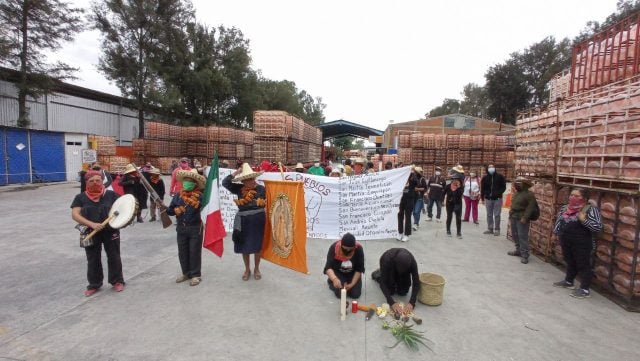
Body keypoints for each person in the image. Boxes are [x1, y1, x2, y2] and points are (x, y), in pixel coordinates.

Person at [71, 170, 125, 296]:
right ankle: (94, 284)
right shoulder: (81, 197)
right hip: (91, 231)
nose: (95, 183)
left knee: (114, 256)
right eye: (91, 181)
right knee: (93, 259)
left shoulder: (111, 195)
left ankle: (117, 281)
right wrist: (91, 224)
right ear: (86, 183)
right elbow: (75, 214)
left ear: (102, 181)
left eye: (98, 180)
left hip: (110, 231)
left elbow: (123, 208)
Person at [552, 188, 603, 298]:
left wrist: (584, 220)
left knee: (583, 264)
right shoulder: (565, 208)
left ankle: (584, 289)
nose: (572, 198)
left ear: (584, 199)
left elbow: (598, 227)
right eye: (571, 195)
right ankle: (569, 281)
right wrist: (555, 233)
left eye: (576, 196)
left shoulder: (590, 210)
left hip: (582, 242)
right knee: (569, 261)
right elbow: (559, 220)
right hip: (566, 239)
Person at [223, 163, 267, 281]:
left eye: (252, 178)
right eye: (247, 179)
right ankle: (247, 269)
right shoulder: (238, 189)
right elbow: (225, 183)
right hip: (243, 221)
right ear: (243, 181)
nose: (250, 181)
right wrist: (236, 172)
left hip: (258, 220)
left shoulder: (262, 189)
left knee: (258, 246)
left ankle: (257, 268)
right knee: (244, 246)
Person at [165, 169, 206, 286]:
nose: (187, 183)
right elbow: (170, 211)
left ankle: (195, 275)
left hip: (195, 227)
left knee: (194, 251)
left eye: (190, 181)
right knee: (182, 252)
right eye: (185, 181)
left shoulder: (200, 196)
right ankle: (186, 273)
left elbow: (206, 209)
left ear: (195, 184)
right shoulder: (178, 195)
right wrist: (168, 209)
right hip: (181, 228)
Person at [371, 248, 420, 316]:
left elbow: (416, 282)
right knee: (390, 291)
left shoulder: (412, 262)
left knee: (403, 292)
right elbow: (382, 283)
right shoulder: (386, 260)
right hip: (390, 269)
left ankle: (399, 276)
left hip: (403, 273)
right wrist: (391, 302)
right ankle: (378, 274)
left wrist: (412, 302)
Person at [507, 177, 538, 264]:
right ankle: (518, 250)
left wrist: (525, 217)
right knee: (515, 234)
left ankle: (525, 255)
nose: (516, 185)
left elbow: (530, 207)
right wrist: (511, 212)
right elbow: (514, 204)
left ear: (524, 185)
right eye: (516, 183)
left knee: (522, 236)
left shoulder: (529, 195)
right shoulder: (517, 194)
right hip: (514, 216)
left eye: (519, 183)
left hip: (522, 217)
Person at [324, 233, 364, 299]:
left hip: (352, 273)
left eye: (350, 249)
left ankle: (343, 282)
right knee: (341, 294)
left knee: (355, 294)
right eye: (345, 249)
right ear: (341, 245)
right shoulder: (334, 248)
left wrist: (352, 284)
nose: (347, 251)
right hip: (338, 272)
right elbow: (328, 267)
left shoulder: (358, 249)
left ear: (354, 247)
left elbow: (359, 269)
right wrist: (334, 279)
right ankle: (331, 281)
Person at [480, 164, 507, 236]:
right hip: (488, 199)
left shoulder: (500, 177)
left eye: (492, 167)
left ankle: (497, 229)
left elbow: (504, 187)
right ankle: (490, 228)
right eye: (489, 167)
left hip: (497, 199)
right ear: (487, 169)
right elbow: (482, 188)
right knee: (489, 214)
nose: (491, 168)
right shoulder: (485, 178)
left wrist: (498, 193)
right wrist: (482, 198)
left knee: (497, 214)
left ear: (495, 168)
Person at [397, 167, 417, 242]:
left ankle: (407, 234)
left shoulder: (412, 178)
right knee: (400, 215)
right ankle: (400, 232)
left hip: (409, 199)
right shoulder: (402, 178)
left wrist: (412, 172)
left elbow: (416, 182)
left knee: (408, 217)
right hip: (401, 199)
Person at [412, 167, 427, 231]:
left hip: (419, 198)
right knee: (413, 212)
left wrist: (417, 189)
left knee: (417, 211)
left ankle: (416, 223)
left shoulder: (422, 179)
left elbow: (425, 188)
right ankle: (416, 223)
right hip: (412, 198)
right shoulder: (412, 179)